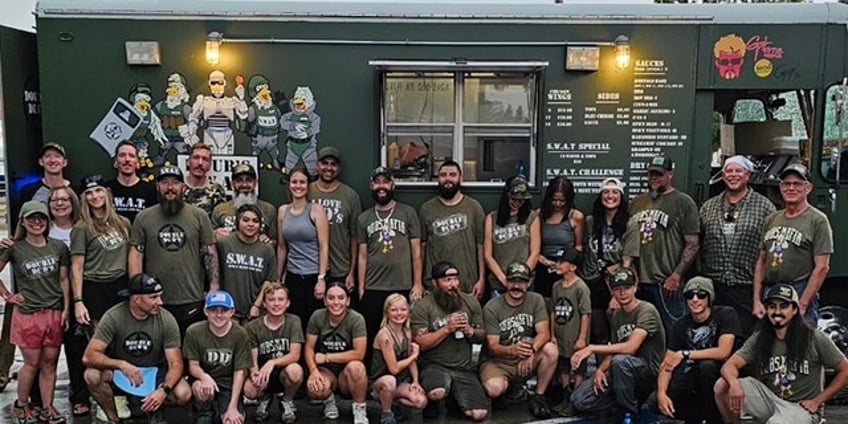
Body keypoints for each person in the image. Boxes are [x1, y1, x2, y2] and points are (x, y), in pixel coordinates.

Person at [715, 284, 848, 423]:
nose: (777, 311)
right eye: (772, 306)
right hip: (770, 401)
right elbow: (729, 365)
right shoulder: (760, 337)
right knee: (722, 386)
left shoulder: (814, 337)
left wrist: (817, 401)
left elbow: (845, 370)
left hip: (801, 408)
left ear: (795, 309)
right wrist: (734, 384)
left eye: (784, 306)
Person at [82, 273, 191, 424]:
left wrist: (163, 390)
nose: (160, 302)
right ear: (137, 299)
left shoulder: (166, 319)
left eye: (160, 296)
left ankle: (149, 405)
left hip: (154, 372)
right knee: (92, 375)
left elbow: (176, 364)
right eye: (153, 297)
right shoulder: (114, 316)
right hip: (122, 372)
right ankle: (113, 418)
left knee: (183, 393)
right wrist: (121, 364)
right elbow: (89, 356)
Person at [0, 201, 70, 424]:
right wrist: (8, 295)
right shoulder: (14, 247)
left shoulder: (58, 247)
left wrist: (67, 307)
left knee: (50, 362)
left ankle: (48, 407)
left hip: (54, 311)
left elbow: (64, 279)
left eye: (40, 218)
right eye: (31, 218)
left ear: (47, 221)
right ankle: (21, 404)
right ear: (23, 221)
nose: (36, 222)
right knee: (31, 363)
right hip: (28, 314)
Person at [129, 165, 219, 337]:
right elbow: (136, 253)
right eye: (164, 183)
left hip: (191, 297)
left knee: (189, 353)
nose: (170, 188)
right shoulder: (143, 217)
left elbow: (210, 252)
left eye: (175, 183)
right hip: (154, 299)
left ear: (183, 187)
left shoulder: (199, 215)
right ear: (157, 187)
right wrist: (137, 290)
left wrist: (214, 286)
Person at [70, 175, 131, 417]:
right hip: (94, 288)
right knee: (100, 349)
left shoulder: (123, 223)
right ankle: (106, 402)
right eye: (89, 193)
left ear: (107, 193)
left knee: (122, 346)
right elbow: (76, 267)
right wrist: (78, 301)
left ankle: (122, 398)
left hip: (120, 286)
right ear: (84, 198)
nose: (95, 197)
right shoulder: (82, 228)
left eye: (98, 191)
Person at [570, 268, 665, 422]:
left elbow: (630, 348)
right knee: (579, 400)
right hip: (621, 371)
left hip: (647, 372)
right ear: (612, 292)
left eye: (627, 288)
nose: (623, 293)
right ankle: (623, 401)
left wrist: (591, 348)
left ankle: (628, 412)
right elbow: (615, 348)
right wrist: (600, 370)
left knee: (620, 362)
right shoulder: (617, 315)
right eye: (617, 289)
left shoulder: (646, 310)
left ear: (635, 287)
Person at [700, 155, 775, 337]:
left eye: (738, 171)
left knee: (746, 336)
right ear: (723, 175)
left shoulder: (765, 207)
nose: (733, 175)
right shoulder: (708, 206)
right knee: (715, 336)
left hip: (746, 286)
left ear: (747, 175)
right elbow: (698, 244)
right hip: (715, 286)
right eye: (729, 171)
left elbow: (770, 248)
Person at [624, 154, 700, 333]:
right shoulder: (637, 202)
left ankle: (677, 362)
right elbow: (629, 240)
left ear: (670, 174)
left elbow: (693, 243)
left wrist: (676, 275)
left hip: (665, 282)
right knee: (641, 332)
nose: (654, 178)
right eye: (651, 174)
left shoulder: (683, 202)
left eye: (659, 174)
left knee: (673, 332)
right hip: (638, 281)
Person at [753, 163, 833, 327]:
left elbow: (822, 267)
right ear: (781, 187)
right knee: (768, 346)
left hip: (798, 290)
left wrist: (803, 304)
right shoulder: (772, 219)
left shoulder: (817, 220)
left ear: (808, 188)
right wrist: (757, 300)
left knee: (800, 346)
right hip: (771, 291)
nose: (791, 188)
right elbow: (761, 261)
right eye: (786, 184)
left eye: (797, 184)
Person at [652, 276, 740, 424]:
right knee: (654, 401)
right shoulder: (680, 325)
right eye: (689, 295)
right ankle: (695, 418)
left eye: (701, 295)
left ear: (709, 298)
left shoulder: (725, 314)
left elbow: (723, 351)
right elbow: (667, 364)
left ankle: (715, 420)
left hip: (723, 372)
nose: (695, 299)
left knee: (707, 367)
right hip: (692, 375)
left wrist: (685, 354)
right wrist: (661, 394)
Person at [410, 261, 489, 422]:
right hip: (434, 365)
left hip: (463, 367)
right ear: (435, 283)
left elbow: (483, 336)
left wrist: (470, 331)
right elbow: (420, 343)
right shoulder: (424, 306)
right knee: (436, 392)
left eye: (455, 279)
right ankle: (434, 402)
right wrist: (446, 329)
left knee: (479, 414)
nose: (453, 285)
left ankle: (455, 398)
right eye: (447, 280)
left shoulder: (470, 302)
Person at [480, 262, 557, 419]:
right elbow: (493, 346)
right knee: (494, 389)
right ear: (506, 282)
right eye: (513, 281)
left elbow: (544, 333)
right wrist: (513, 350)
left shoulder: (536, 300)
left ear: (528, 283)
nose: (517, 286)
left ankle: (538, 396)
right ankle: (506, 391)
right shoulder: (492, 307)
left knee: (551, 350)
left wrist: (530, 351)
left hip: (526, 357)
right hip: (499, 362)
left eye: (521, 282)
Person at [356, 166, 423, 344]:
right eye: (377, 182)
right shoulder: (364, 218)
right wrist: (361, 287)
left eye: (385, 181)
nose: (381, 186)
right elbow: (362, 256)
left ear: (392, 185)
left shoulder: (408, 213)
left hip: (402, 285)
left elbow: (417, 252)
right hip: (374, 285)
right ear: (371, 186)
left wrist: (417, 283)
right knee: (372, 334)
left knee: (403, 335)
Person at [304, 282, 370, 424]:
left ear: (348, 301)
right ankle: (329, 400)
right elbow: (309, 347)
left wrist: (327, 357)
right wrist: (314, 371)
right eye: (331, 298)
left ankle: (359, 408)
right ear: (325, 300)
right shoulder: (317, 316)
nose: (336, 302)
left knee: (357, 367)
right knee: (314, 389)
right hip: (326, 371)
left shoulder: (356, 319)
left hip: (347, 373)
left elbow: (359, 354)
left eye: (341, 298)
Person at [419, 160, 486, 298]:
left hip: (467, 285)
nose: (447, 179)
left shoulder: (474, 207)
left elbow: (481, 246)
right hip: (435, 286)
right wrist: (419, 282)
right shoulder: (426, 209)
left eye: (452, 175)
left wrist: (481, 279)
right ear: (438, 179)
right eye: (443, 175)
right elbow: (421, 248)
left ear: (460, 178)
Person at [184, 290, 252, 424]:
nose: (219, 315)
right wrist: (204, 377)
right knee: (200, 388)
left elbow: (240, 371)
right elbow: (193, 366)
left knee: (232, 421)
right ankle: (205, 409)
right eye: (213, 310)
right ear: (205, 311)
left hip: (228, 382)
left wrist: (232, 407)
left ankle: (229, 405)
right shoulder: (193, 331)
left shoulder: (240, 334)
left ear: (232, 312)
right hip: (205, 379)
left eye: (224, 310)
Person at [276, 166, 329, 333]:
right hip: (293, 277)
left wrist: (321, 278)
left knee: (314, 324)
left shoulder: (316, 210)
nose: (298, 186)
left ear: (308, 186)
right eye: (294, 182)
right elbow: (282, 247)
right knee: (295, 322)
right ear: (289, 185)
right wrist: (278, 278)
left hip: (313, 276)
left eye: (302, 182)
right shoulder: (283, 211)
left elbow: (324, 246)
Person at [243, 282, 303, 424]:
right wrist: (255, 375)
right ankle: (264, 399)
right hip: (264, 374)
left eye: (280, 299)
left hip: (284, 373)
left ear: (288, 303)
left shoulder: (294, 321)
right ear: (264, 303)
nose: (276, 304)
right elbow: (253, 360)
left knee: (295, 371)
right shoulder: (253, 326)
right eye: (271, 300)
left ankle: (287, 400)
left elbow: (295, 355)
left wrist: (272, 362)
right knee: (250, 391)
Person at [581, 177, 629, 344]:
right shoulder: (590, 222)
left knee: (618, 333)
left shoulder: (630, 224)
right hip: (592, 281)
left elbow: (628, 261)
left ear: (621, 196)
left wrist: (617, 293)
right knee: (598, 333)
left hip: (615, 282)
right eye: (606, 192)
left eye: (615, 192)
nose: (610, 196)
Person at [308, 146, 362, 292]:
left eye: (333, 164)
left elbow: (354, 237)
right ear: (317, 165)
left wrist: (351, 272)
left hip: (340, 270)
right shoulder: (306, 192)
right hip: (310, 268)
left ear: (339, 168)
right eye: (325, 163)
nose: (329, 168)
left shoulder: (350, 196)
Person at [369, 294, 427, 424]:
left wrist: (415, 381)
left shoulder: (407, 331)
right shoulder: (384, 335)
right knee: (389, 381)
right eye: (394, 310)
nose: (399, 313)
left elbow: (410, 361)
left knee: (420, 401)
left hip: (400, 381)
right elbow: (394, 369)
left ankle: (395, 402)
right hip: (381, 381)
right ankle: (386, 413)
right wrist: (414, 355)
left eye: (403, 309)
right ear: (387, 312)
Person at [216, 204, 277, 322]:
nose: (250, 224)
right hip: (226, 310)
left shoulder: (266, 249)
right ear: (238, 222)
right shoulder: (223, 244)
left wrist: (256, 305)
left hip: (254, 312)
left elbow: (269, 280)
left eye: (255, 221)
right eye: (245, 220)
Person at [483, 175, 541, 298]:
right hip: (499, 282)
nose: (517, 203)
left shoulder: (532, 217)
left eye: (521, 200)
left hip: (525, 282)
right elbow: (488, 255)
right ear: (507, 195)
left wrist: (521, 278)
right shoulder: (491, 218)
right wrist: (504, 279)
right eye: (513, 199)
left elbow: (535, 252)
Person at [549, 247, 591, 416]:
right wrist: (552, 335)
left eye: (561, 262)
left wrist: (582, 338)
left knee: (578, 369)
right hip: (560, 336)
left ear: (573, 267)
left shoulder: (581, 287)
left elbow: (585, 313)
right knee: (563, 367)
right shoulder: (556, 286)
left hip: (575, 337)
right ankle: (566, 397)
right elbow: (552, 310)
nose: (557, 264)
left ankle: (577, 400)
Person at [535, 176, 584, 299]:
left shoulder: (576, 216)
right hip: (543, 266)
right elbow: (533, 245)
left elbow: (579, 246)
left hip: (567, 266)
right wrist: (543, 260)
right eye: (554, 200)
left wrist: (566, 263)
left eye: (562, 200)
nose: (558, 204)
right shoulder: (539, 215)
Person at [211, 163, 277, 244]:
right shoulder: (219, 209)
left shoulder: (268, 209)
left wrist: (268, 241)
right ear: (232, 184)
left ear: (255, 183)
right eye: (239, 180)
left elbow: (276, 241)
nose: (244, 184)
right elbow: (209, 239)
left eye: (249, 180)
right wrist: (215, 234)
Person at [105, 140, 158, 223]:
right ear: (116, 161)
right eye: (122, 155)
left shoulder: (151, 190)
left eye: (132, 156)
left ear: (137, 163)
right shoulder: (106, 190)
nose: (127, 159)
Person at [183, 143, 227, 217]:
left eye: (205, 159)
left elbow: (219, 220)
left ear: (210, 165)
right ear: (188, 162)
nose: (200, 163)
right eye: (196, 158)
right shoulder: (177, 187)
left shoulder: (217, 190)